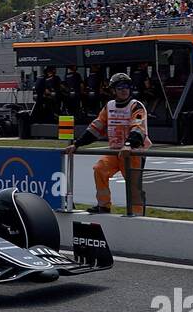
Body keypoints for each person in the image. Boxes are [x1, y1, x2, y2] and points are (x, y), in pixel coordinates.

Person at [63, 72, 151, 214]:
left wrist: (128, 145)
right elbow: (96, 127)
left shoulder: (136, 106)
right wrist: (77, 144)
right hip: (114, 152)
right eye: (120, 87)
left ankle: (137, 214)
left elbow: (138, 128)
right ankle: (104, 205)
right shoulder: (109, 106)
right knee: (99, 169)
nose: (124, 90)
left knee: (133, 186)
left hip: (134, 153)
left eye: (127, 86)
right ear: (113, 90)